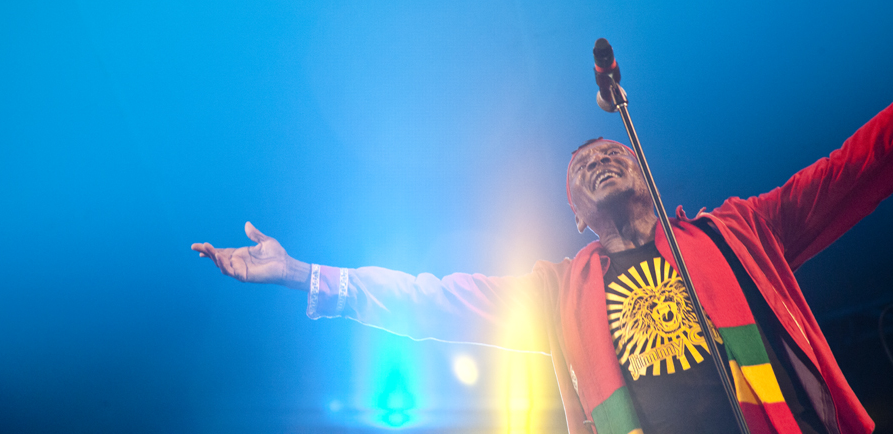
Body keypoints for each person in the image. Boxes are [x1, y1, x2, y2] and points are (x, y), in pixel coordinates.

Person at [192, 103, 893, 434]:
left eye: (612, 152)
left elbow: (854, 168)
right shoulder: (558, 294)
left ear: (646, 175)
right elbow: (432, 300)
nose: (600, 158)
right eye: (582, 166)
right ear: (577, 217)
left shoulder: (736, 233)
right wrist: (305, 274)